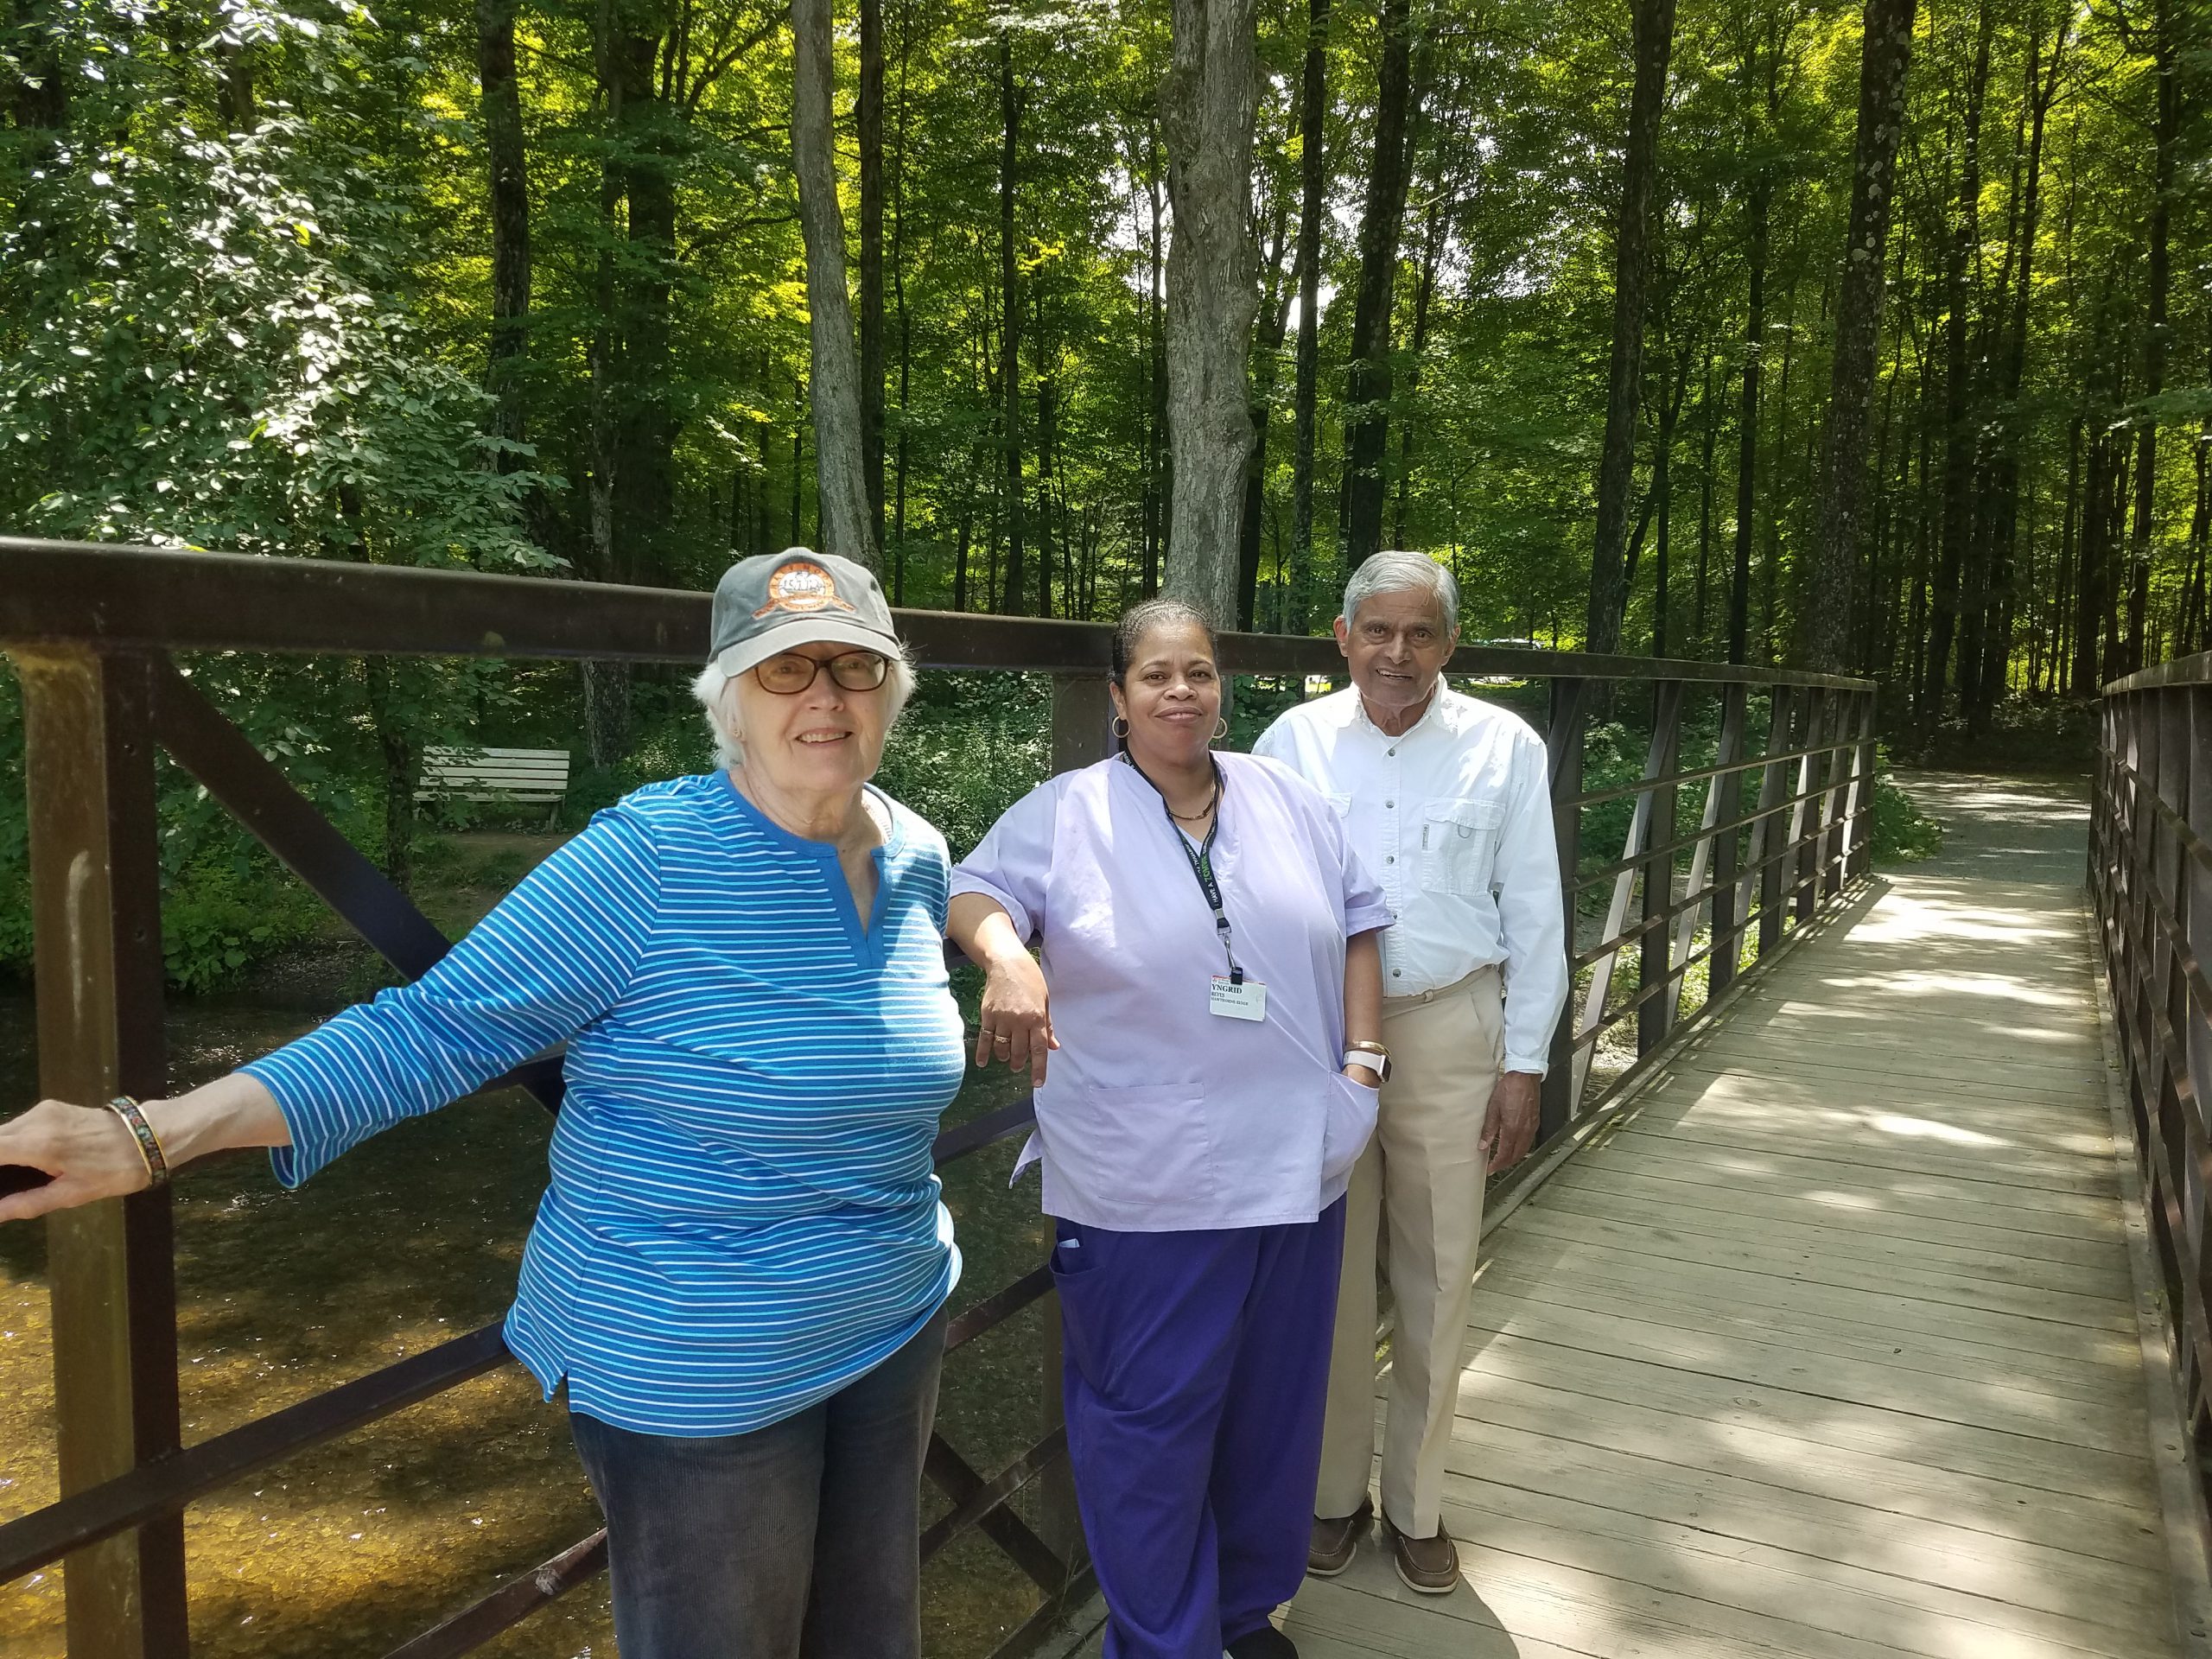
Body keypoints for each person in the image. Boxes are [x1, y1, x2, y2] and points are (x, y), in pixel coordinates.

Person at [0, 550, 969, 1659]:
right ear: (728, 699)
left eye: (854, 667)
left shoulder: (913, 851)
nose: (825, 698)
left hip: (894, 1315)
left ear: (891, 691)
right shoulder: (646, 864)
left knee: (871, 1638)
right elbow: (432, 1028)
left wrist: (1012, 954)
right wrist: (155, 1130)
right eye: (784, 670)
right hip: (698, 1359)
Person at [946, 599, 1390, 1659]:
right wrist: (1010, 960)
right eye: (1155, 675)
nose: (1179, 692)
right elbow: (973, 891)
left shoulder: (1290, 799)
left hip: (1299, 1163)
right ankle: (1165, 1643)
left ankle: (1245, 1615)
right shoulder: (1066, 811)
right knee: (1146, 1434)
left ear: (1221, 686)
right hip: (1143, 1184)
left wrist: (1362, 1072)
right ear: (1116, 697)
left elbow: (1364, 926)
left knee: (1270, 1419)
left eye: (1197, 671)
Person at [1253, 550, 1567, 1595]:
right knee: (1330, 1277)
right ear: (1341, 637)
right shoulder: (1288, 743)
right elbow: (1247, 904)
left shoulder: (1503, 746)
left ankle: (1420, 1508)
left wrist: (1524, 1064)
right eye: (1375, 631)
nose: (1396, 653)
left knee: (1438, 1270)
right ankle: (1331, 1495)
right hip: (1320, 1037)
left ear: (1448, 643)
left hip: (1449, 1027)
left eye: (1419, 633)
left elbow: (1535, 912)